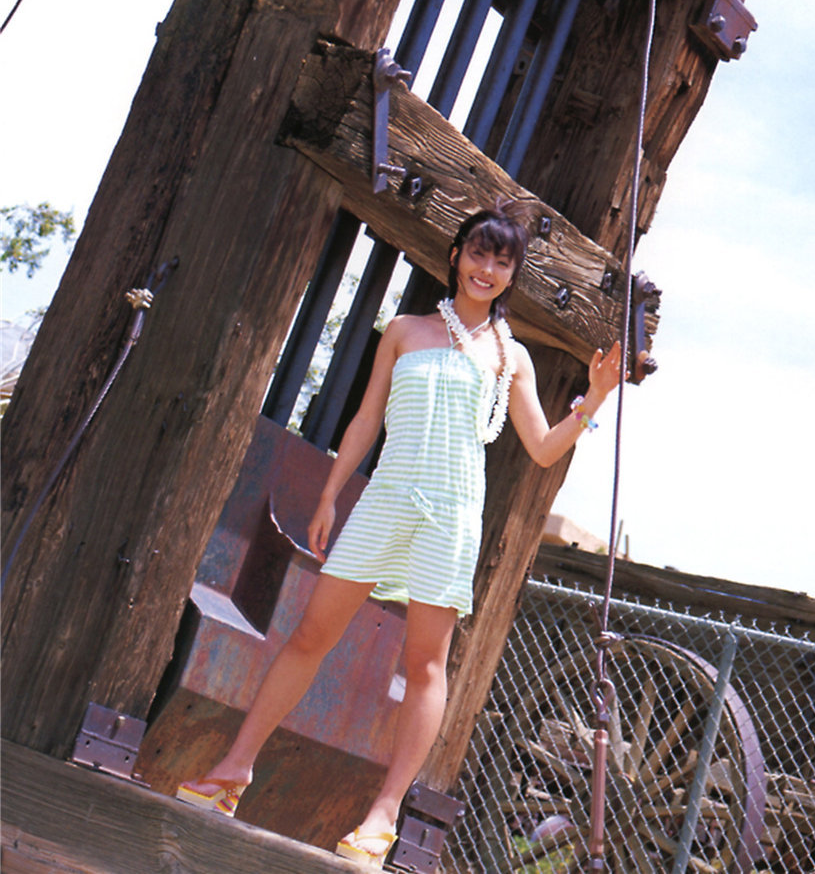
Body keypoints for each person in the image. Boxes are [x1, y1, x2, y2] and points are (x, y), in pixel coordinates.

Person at [176, 205, 622, 870]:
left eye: (502, 261)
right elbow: (365, 417)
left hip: (452, 515)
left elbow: (542, 446)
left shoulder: (512, 357)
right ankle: (234, 768)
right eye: (478, 252)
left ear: (511, 274)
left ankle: (383, 815)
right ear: (456, 254)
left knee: (424, 665)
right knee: (309, 634)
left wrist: (594, 398)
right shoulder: (406, 330)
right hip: (384, 499)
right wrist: (330, 494)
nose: (487, 269)